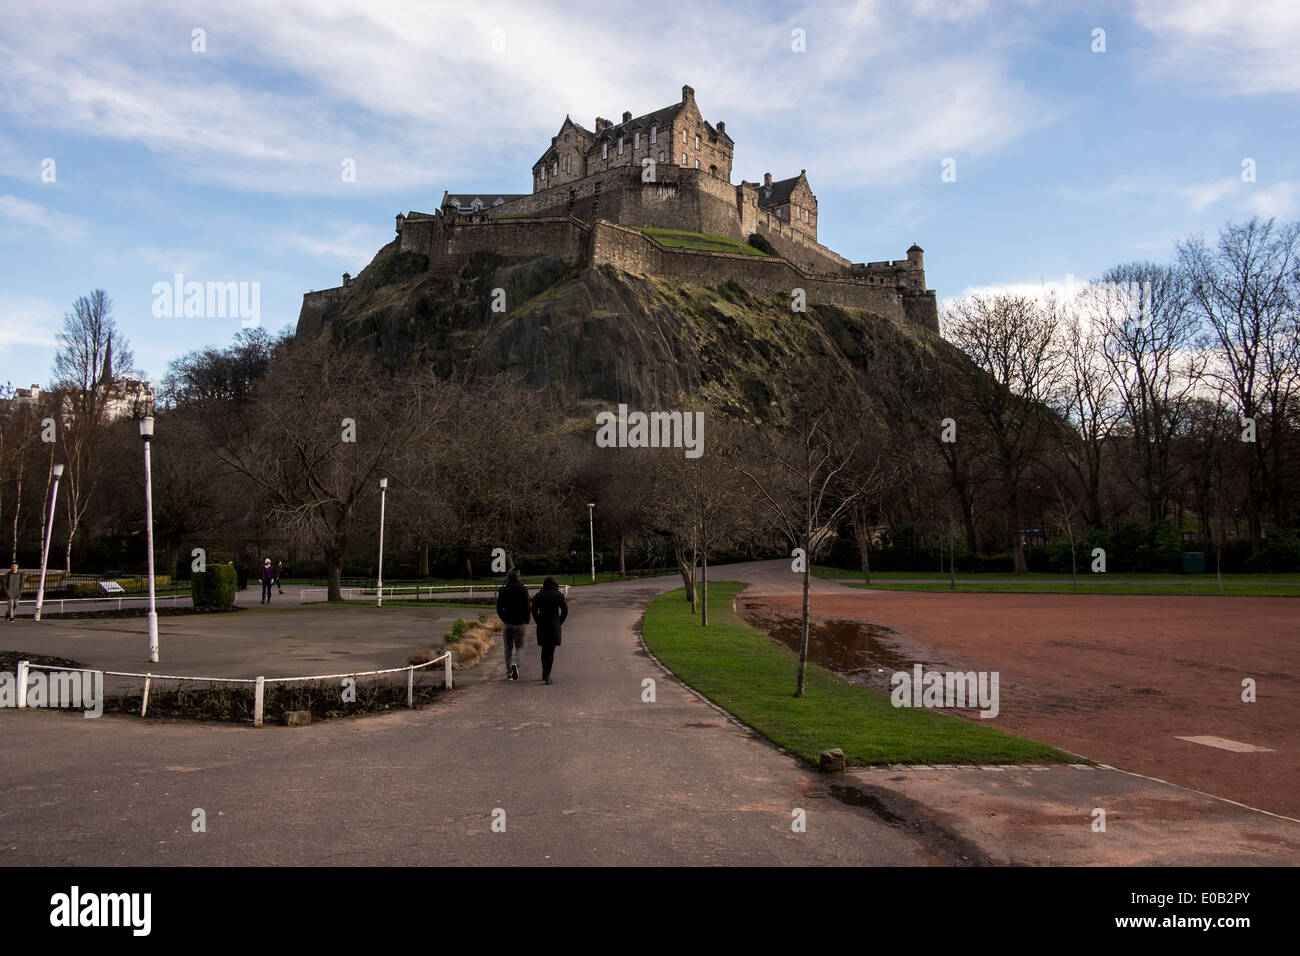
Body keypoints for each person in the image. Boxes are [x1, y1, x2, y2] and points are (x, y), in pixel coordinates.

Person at [530, 576, 569, 685]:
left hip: (542, 624)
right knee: (551, 651)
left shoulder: (539, 595)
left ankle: (544, 672)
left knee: (544, 650)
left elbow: (533, 610)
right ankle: (548, 674)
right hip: (554, 625)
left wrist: (538, 620)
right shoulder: (558, 595)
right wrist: (559, 621)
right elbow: (565, 610)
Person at [495, 567, 531, 681]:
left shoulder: (503, 590)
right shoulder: (523, 589)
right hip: (520, 622)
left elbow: (499, 608)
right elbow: (527, 606)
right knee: (521, 647)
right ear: (518, 577)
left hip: (507, 622)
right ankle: (515, 663)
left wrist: (504, 618)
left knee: (508, 648)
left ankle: (509, 672)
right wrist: (527, 619)